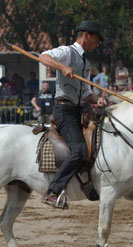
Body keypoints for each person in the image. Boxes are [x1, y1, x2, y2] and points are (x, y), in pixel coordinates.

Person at [38, 20, 107, 208]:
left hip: (77, 111)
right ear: (86, 36)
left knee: (94, 146)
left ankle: (85, 183)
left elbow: (85, 93)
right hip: (63, 110)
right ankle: (52, 191)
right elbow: (43, 57)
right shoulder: (67, 52)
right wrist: (61, 67)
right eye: (96, 39)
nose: (97, 43)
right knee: (79, 151)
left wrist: (96, 100)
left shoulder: (86, 62)